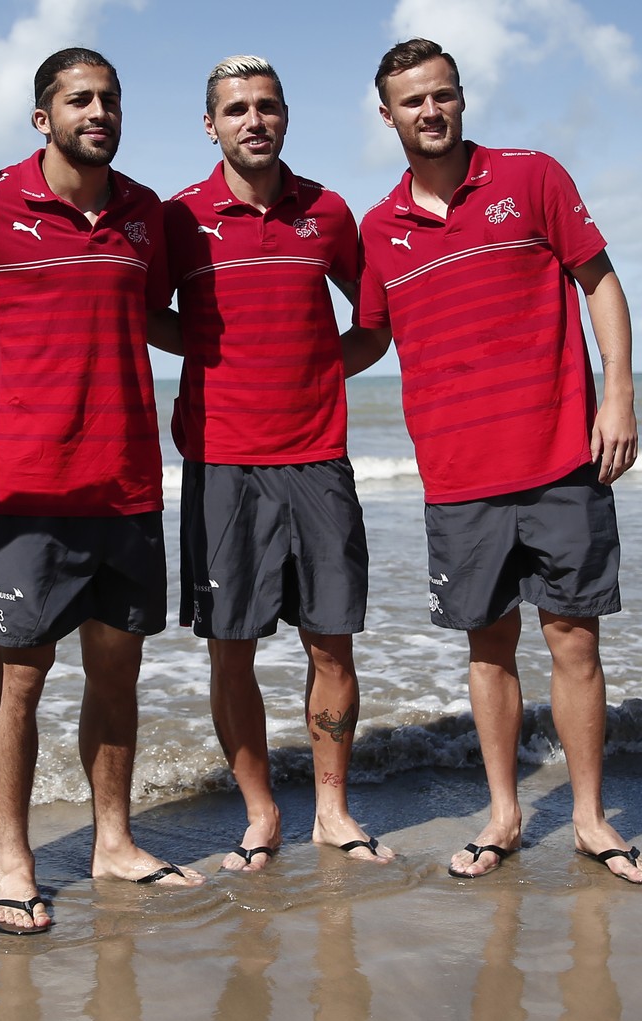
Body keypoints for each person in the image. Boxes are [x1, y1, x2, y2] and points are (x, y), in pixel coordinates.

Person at [348, 38, 642, 884]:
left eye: (443, 94)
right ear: (387, 114)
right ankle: (503, 815)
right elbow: (370, 336)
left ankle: (593, 820)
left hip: (562, 456)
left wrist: (619, 394)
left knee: (573, 640)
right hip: (458, 474)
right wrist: (277, 366)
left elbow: (599, 279)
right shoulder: (380, 229)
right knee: (486, 648)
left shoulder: (532, 178)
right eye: (412, 100)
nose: (431, 111)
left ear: (461, 97)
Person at [0, 46, 207, 935]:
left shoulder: (146, 216)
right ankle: (13, 862)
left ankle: (114, 842)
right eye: (79, 99)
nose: (98, 111)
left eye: (111, 99)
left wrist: (258, 353)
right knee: (20, 679)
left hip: (128, 480)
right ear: (41, 116)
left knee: (117, 673)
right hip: (29, 485)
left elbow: (163, 318)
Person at [160, 56, 391, 872]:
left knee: (332, 645)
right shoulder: (180, 219)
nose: (252, 121)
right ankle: (260, 813)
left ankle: (331, 808)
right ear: (211, 124)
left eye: (265, 107)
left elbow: (373, 325)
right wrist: (223, 359)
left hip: (318, 461)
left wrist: (313, 370)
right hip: (223, 465)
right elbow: (150, 314)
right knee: (233, 646)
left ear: (285, 115)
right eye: (235, 109)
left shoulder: (328, 213)